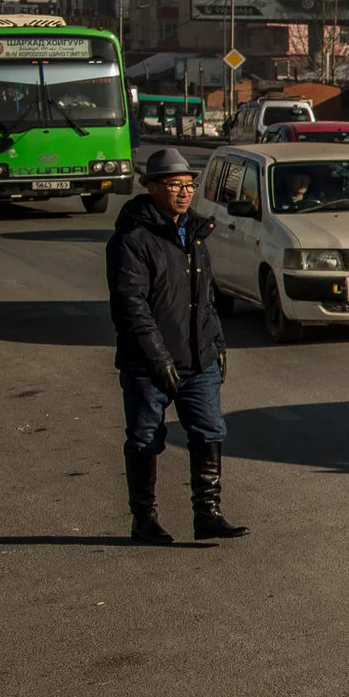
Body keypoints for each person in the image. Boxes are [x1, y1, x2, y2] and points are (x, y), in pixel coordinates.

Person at [106, 149, 247, 546]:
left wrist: (216, 343)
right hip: (147, 365)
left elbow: (205, 298)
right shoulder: (132, 240)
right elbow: (131, 307)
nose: (184, 193)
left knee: (209, 431)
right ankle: (144, 520)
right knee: (145, 438)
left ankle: (208, 515)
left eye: (188, 185)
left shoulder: (196, 233)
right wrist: (159, 360)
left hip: (199, 361)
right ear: (151, 188)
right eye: (174, 186)